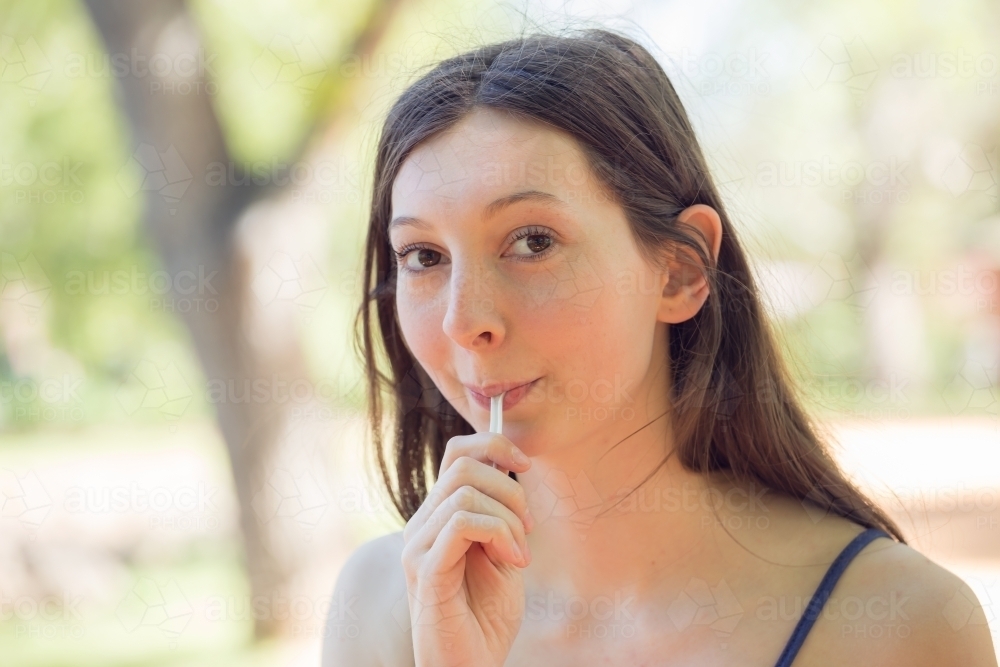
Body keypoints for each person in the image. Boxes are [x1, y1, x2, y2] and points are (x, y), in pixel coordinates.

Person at [323, 28, 998, 667]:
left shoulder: (901, 625)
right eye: (423, 255)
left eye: (532, 241)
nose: (464, 321)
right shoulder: (384, 604)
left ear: (679, 269)